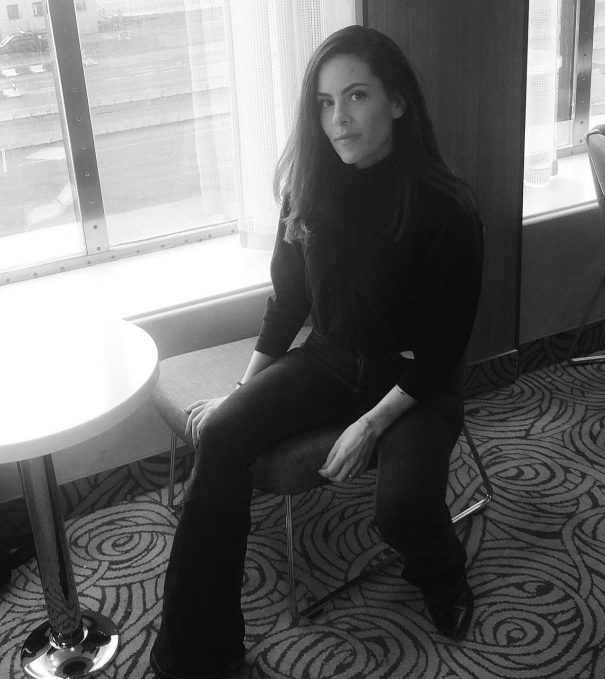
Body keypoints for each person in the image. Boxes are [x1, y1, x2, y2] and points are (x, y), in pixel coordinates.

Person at [150, 24, 484, 679]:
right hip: (332, 360)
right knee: (221, 433)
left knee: (400, 509)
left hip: (417, 383)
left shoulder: (447, 210)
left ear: (397, 102)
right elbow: (288, 305)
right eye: (326, 103)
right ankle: (197, 654)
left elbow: (444, 351)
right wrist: (243, 392)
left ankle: (444, 572)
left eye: (357, 96)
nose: (339, 118)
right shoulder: (307, 190)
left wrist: (370, 425)